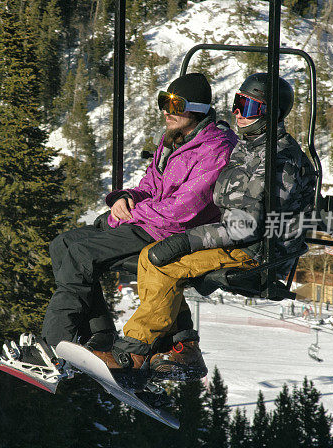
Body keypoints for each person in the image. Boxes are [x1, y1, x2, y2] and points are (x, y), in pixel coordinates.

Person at [89, 73, 316, 381]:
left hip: (259, 250)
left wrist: (187, 241)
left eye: (248, 107)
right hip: (237, 240)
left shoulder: (280, 160)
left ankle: (134, 352)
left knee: (163, 263)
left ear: (269, 113)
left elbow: (246, 226)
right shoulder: (249, 148)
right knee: (153, 257)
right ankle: (182, 349)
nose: (237, 113)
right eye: (236, 103)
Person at [12, 73, 237, 367]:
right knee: (63, 243)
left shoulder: (215, 149)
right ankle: (99, 335)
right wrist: (125, 198)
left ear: (197, 109)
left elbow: (183, 211)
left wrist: (131, 214)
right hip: (150, 222)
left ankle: (54, 348)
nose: (167, 111)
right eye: (164, 102)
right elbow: (150, 185)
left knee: (81, 254)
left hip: (176, 233)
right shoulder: (174, 140)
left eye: (176, 105)